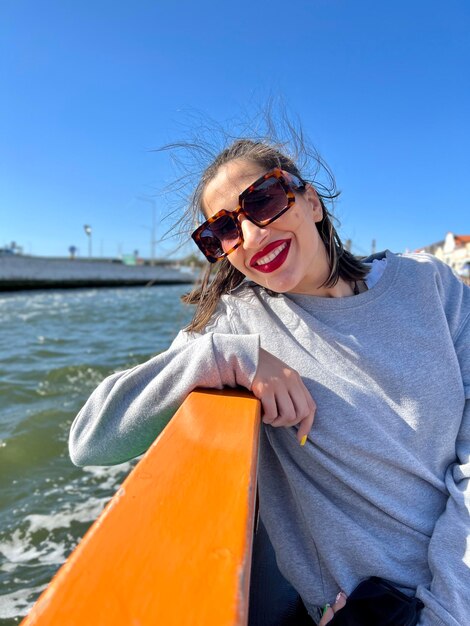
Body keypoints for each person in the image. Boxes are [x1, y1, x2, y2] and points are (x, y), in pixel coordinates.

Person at [69, 137, 470, 625]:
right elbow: (91, 438)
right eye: (223, 231)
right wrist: (227, 354)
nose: (252, 237)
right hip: (375, 608)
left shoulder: (432, 284)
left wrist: (448, 608)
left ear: (312, 202)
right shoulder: (240, 324)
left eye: (262, 201)